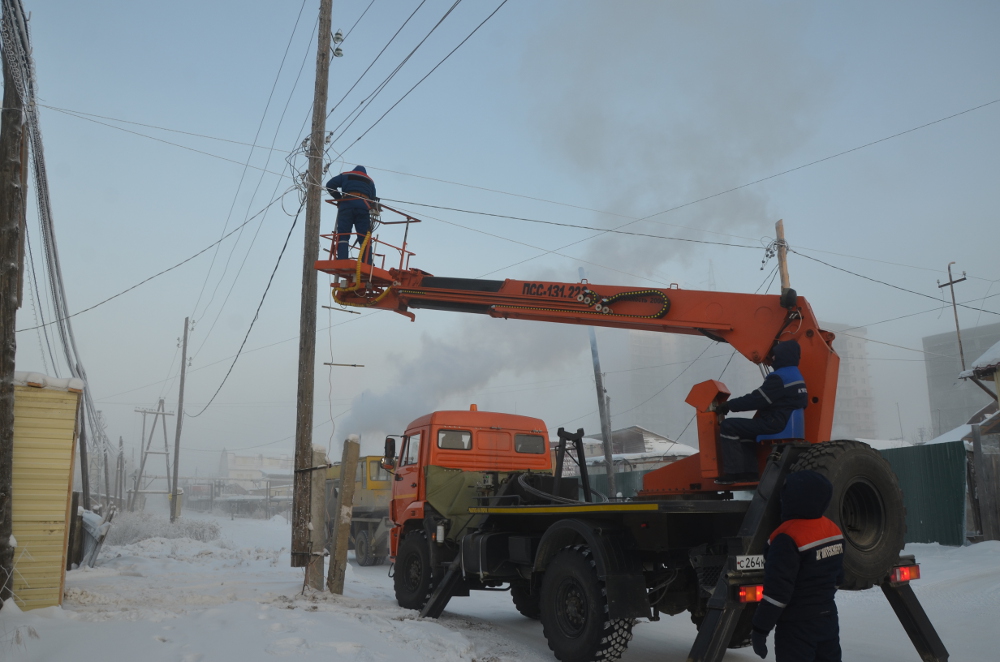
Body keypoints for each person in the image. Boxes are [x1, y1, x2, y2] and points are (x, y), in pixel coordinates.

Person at [750, 470, 844, 661]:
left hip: (797, 626)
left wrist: (760, 630)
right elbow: (839, 577)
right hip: (828, 618)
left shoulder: (786, 537)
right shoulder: (832, 529)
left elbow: (777, 595)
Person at [714, 339, 808, 483]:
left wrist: (728, 405)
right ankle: (749, 473)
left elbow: (757, 399)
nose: (772, 360)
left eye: (774, 356)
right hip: (783, 420)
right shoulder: (795, 374)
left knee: (729, 427)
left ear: (782, 356)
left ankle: (734, 474)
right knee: (746, 431)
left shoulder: (779, 377)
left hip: (775, 422)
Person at [326, 165, 377, 261]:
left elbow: (330, 185)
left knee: (343, 234)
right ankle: (367, 261)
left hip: (347, 204)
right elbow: (373, 199)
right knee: (364, 236)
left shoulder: (345, 175)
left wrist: (339, 198)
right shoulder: (370, 181)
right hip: (363, 206)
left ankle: (342, 258)